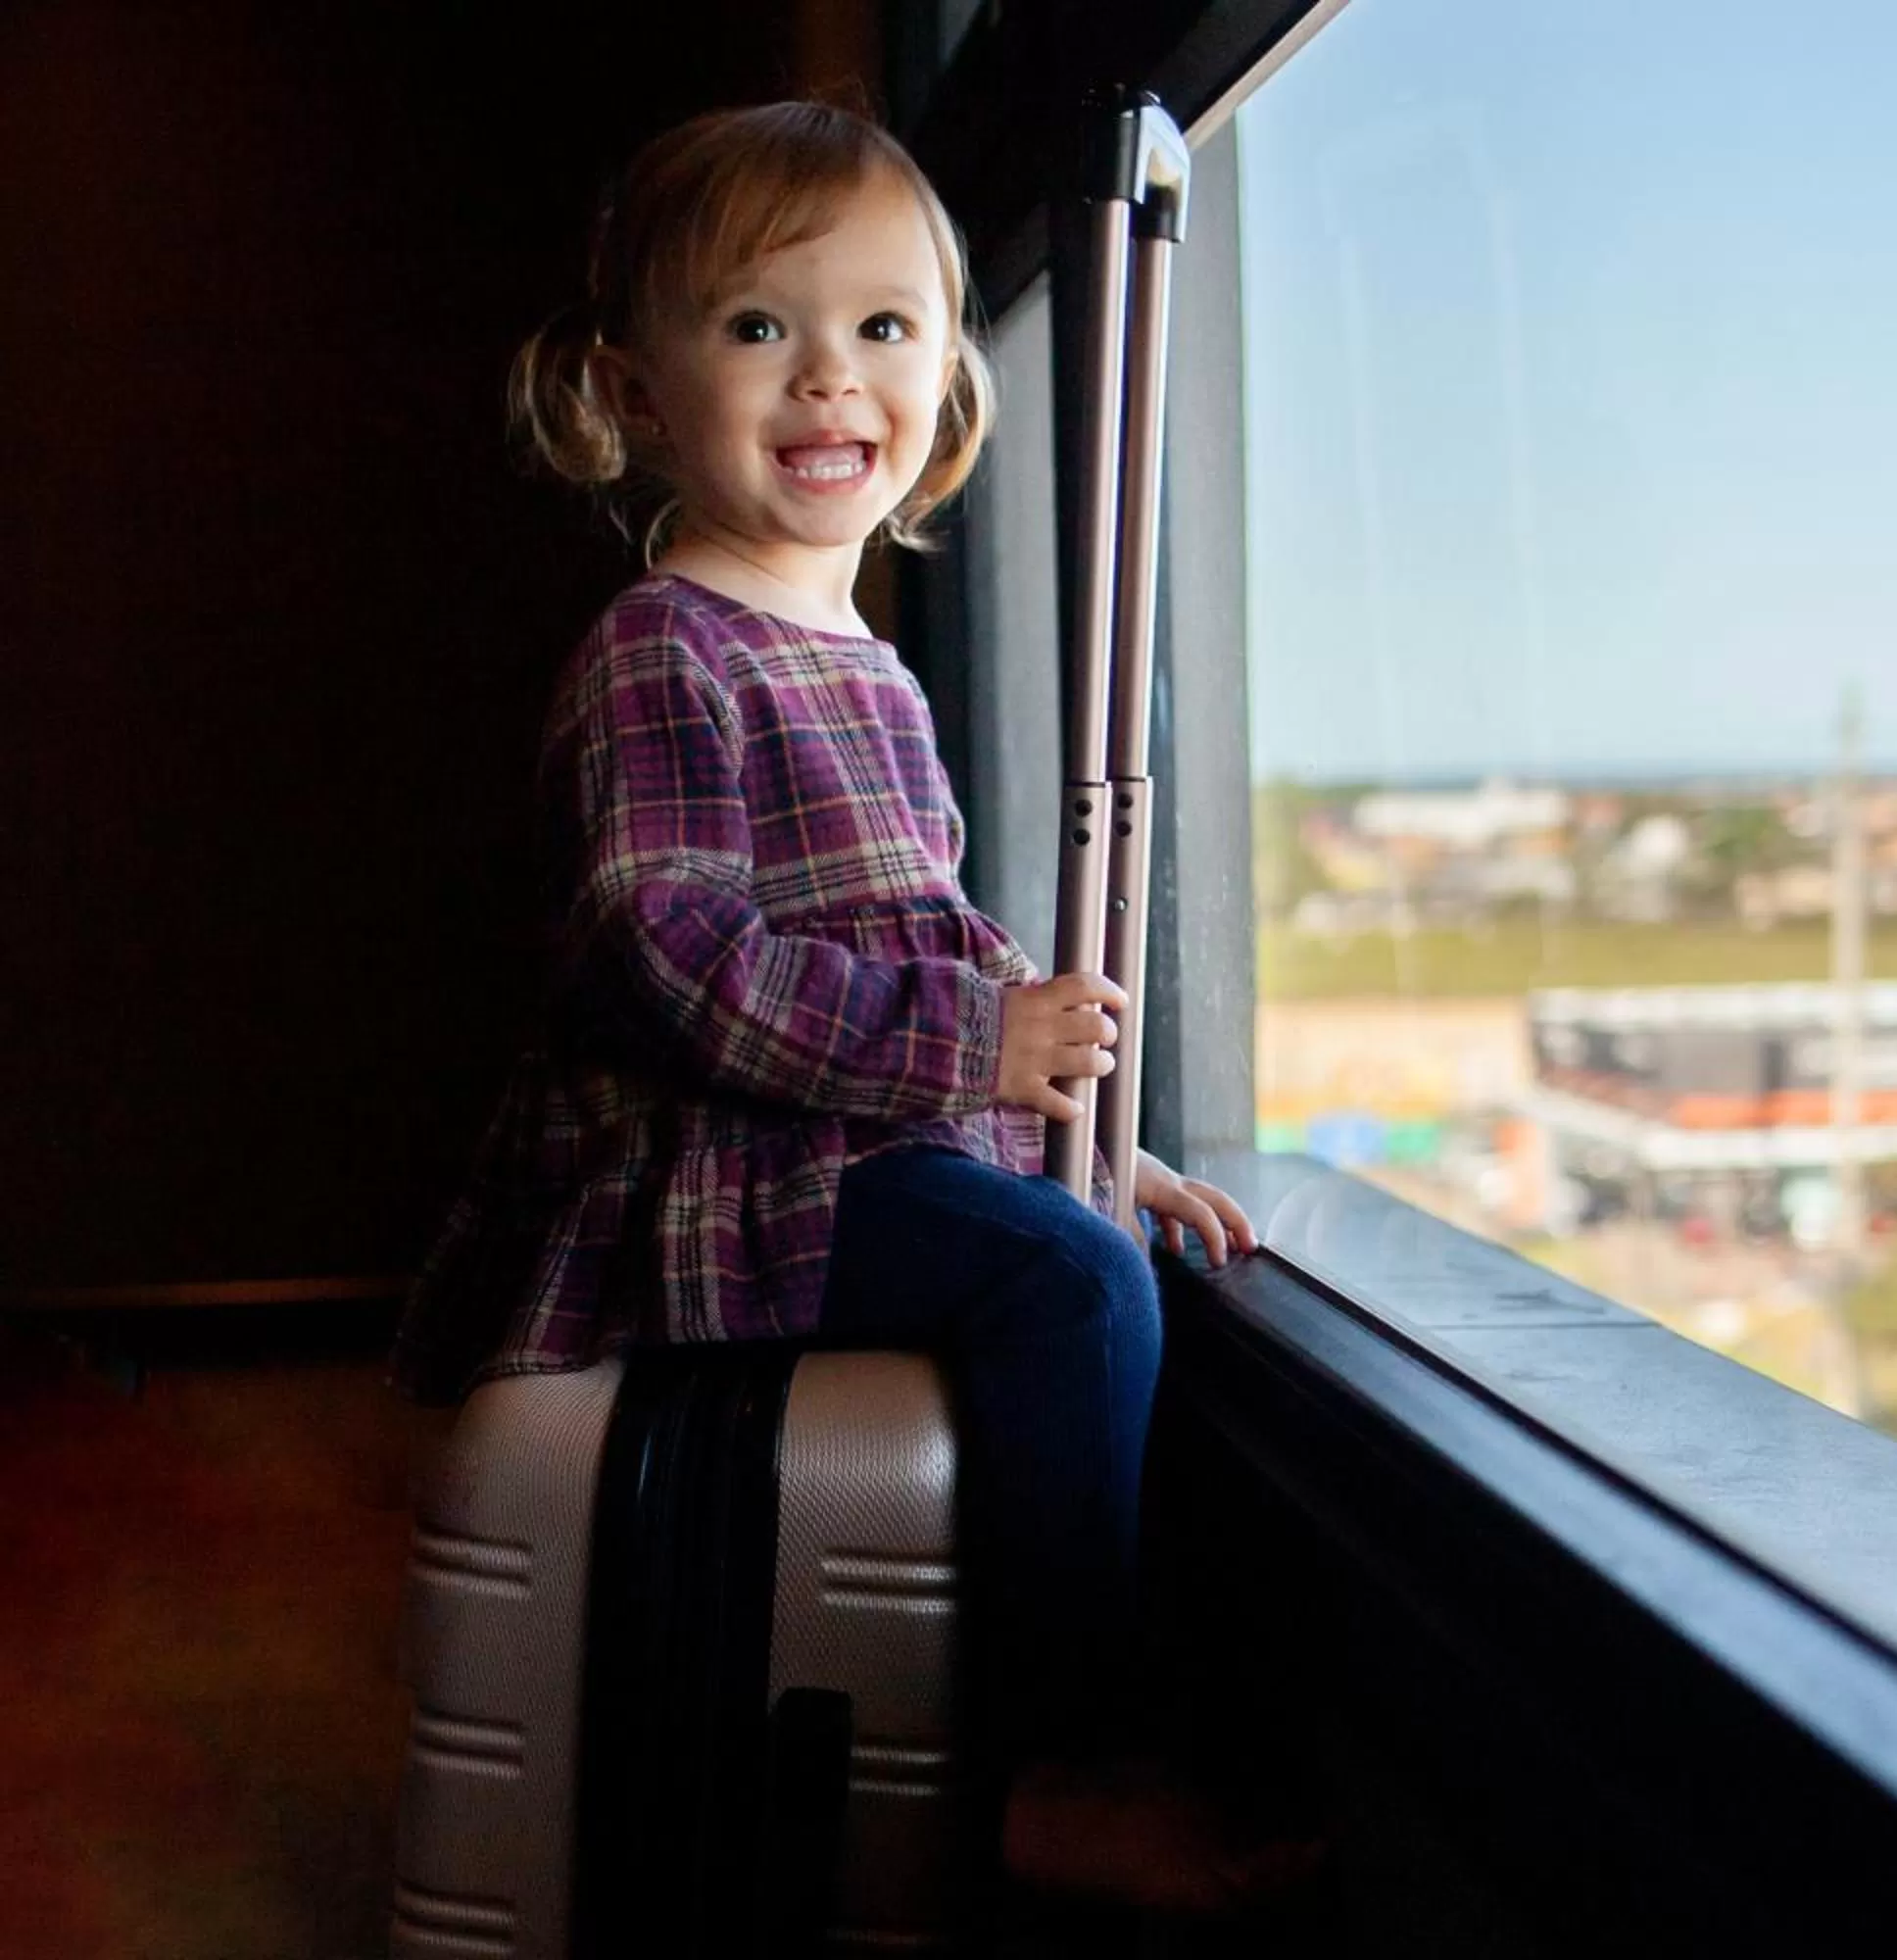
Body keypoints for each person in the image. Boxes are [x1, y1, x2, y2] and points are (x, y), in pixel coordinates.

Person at [390, 99, 1303, 1920]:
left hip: (824, 1153)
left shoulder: (856, 655)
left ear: (943, 381)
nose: (829, 381)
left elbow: (916, 942)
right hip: (717, 1180)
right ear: (635, 394)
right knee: (1063, 1290)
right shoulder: (667, 646)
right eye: (756, 328)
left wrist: (1074, 1146)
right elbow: (664, 956)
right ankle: (1063, 1769)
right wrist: (975, 1056)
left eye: (882, 329)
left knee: (1082, 1249)